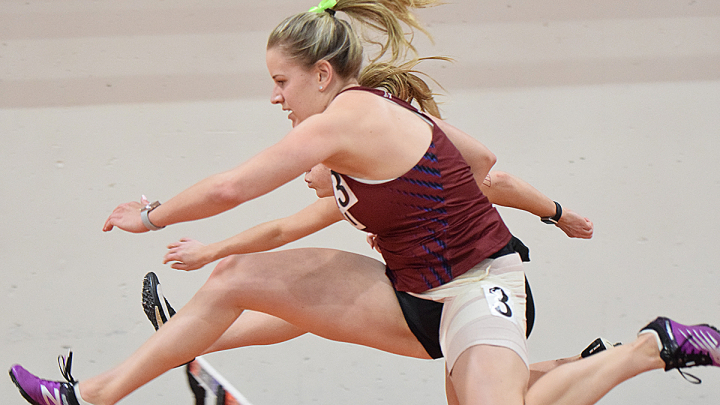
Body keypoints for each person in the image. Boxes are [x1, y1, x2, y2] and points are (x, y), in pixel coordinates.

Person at [9, 1, 719, 405]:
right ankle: (92, 394)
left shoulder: (353, 119)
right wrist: (217, 252)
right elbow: (475, 167)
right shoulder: (357, 154)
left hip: (482, 289)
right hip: (412, 294)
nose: (274, 96)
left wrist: (153, 215)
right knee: (237, 281)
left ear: (322, 74)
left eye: (281, 80)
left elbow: (233, 186)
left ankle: (650, 345)